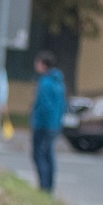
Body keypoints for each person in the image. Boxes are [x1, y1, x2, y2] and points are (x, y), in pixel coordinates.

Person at [30, 51, 66, 193]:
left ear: (43, 64)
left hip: (43, 124)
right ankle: (49, 185)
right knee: (49, 154)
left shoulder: (45, 82)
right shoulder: (58, 81)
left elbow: (44, 105)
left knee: (39, 154)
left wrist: (37, 118)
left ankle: (43, 185)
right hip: (54, 124)